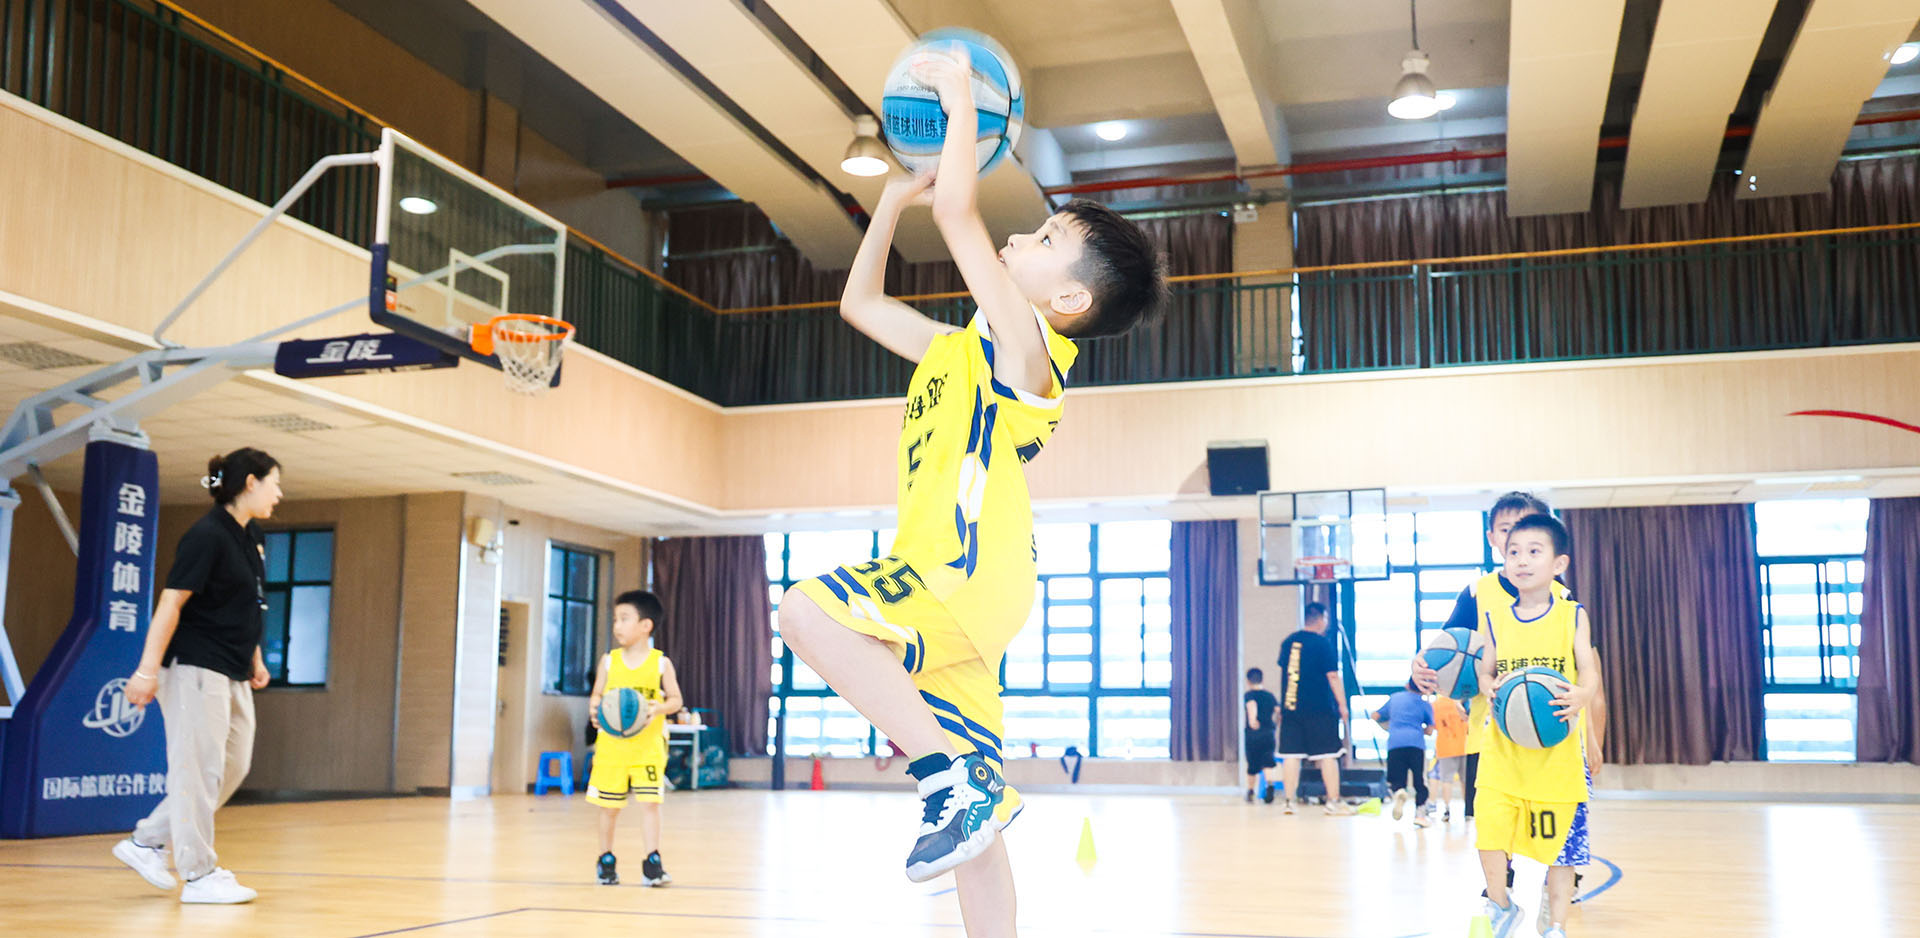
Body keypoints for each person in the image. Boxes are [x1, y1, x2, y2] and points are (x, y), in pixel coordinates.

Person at [771, 46, 1166, 938]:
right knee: (975, 840)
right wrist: (888, 202)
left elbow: (959, 209)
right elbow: (861, 306)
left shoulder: (1031, 354)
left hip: (960, 572)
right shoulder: (956, 349)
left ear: (1068, 300)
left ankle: (946, 777)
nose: (1019, 239)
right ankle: (962, 788)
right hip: (962, 594)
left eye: (1044, 241)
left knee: (802, 611)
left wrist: (959, 103)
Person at [113, 448, 282, 904]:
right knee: (198, 771)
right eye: (274, 483)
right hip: (195, 665)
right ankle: (198, 875)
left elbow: (248, 603)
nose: (279, 494)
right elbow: (171, 603)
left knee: (233, 766)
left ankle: (146, 840)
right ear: (251, 483)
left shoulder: (251, 535)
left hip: (234, 668)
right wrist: (146, 671)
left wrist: (256, 656)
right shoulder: (206, 535)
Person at [1472, 514, 1600, 938]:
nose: (1521, 560)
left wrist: (1582, 695)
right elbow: (1486, 672)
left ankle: (1557, 926)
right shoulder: (1495, 618)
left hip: (1556, 753)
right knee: (1489, 829)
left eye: (1533, 551)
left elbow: (1589, 670)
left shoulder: (1572, 615)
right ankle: (1502, 904)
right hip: (1503, 750)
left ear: (1558, 564)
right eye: (1513, 552)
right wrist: (1489, 686)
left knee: (1562, 849)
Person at [586, 590, 683, 886]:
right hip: (612, 748)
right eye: (615, 619)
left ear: (645, 625)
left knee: (651, 804)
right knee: (609, 807)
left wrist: (659, 708)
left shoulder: (660, 663)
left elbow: (676, 700)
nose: (617, 625)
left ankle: (652, 862)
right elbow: (597, 695)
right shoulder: (609, 661)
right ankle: (605, 860)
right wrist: (595, 711)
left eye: (624, 619)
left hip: (648, 747)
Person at [1274, 602, 1355, 816]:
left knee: (1291, 755)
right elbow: (1332, 676)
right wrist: (1342, 705)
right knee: (1328, 755)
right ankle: (1333, 801)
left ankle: (1289, 802)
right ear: (1321, 619)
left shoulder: (1288, 642)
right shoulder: (1322, 643)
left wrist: (1283, 705)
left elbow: (1286, 675)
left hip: (1291, 708)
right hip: (1320, 709)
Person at [1372, 679, 1435, 826]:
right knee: (1420, 781)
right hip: (1416, 743)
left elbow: (1375, 716)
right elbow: (1430, 730)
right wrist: (1418, 729)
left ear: (1407, 685)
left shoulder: (1395, 698)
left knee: (1396, 780)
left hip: (1395, 743)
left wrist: (1387, 727)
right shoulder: (1425, 704)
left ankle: (1399, 791)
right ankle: (1420, 814)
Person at [1430, 695, 1468, 822]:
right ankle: (1468, 809)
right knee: (1465, 780)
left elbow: (1433, 725)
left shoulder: (1436, 704)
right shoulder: (1460, 701)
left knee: (1446, 780)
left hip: (1445, 747)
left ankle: (1447, 810)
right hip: (1464, 745)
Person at [1243, 668, 1279, 803]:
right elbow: (1278, 710)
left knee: (1252, 764)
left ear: (1248, 681)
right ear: (1262, 679)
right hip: (1268, 732)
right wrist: (1275, 723)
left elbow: (1251, 705)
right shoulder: (1270, 696)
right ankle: (1270, 787)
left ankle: (1250, 791)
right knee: (1268, 762)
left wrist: (1252, 720)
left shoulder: (1249, 695)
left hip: (1253, 734)